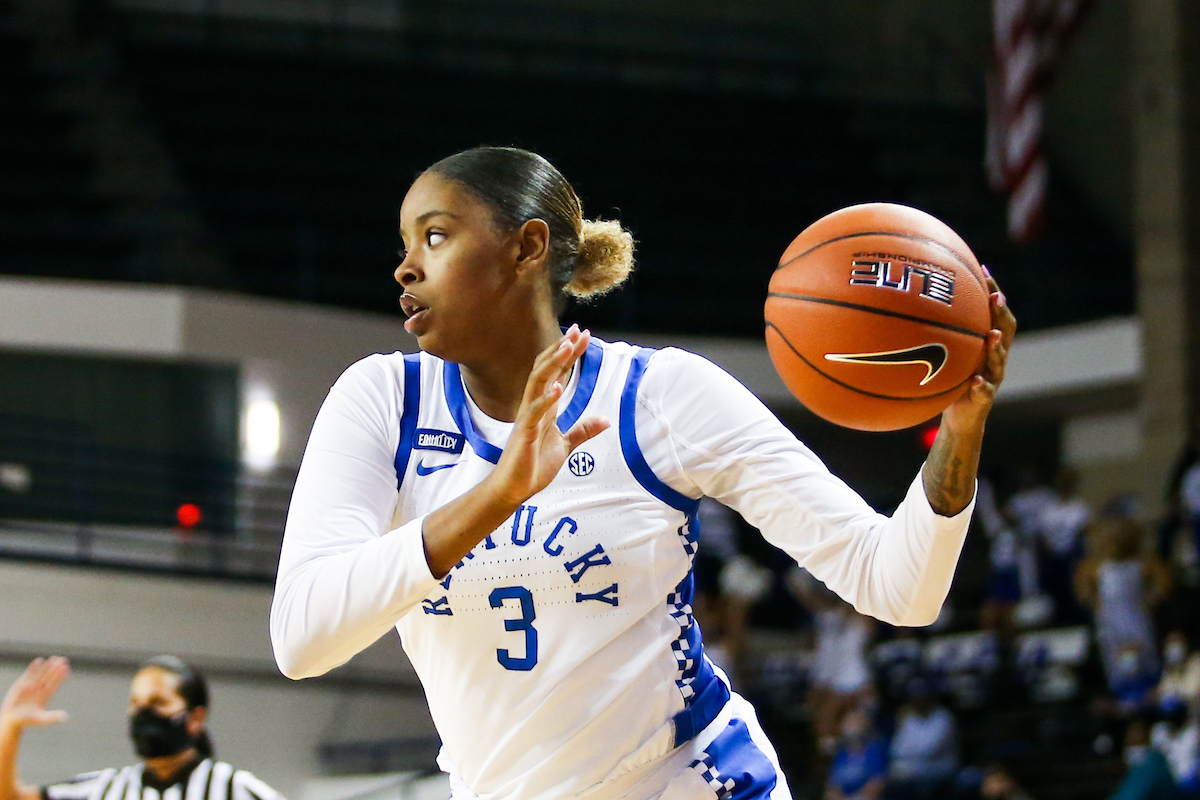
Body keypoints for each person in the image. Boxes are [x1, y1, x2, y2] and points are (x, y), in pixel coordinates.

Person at [270, 146, 1017, 800]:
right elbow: (303, 639)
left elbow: (897, 585)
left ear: (526, 248)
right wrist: (499, 495)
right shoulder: (383, 401)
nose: (406, 265)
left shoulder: (659, 397)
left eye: (435, 236)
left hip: (686, 782)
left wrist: (960, 431)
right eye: (405, 243)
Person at [0, 656, 285, 800]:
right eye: (136, 703)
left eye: (158, 702)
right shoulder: (105, 788)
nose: (143, 713)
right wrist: (10, 724)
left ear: (196, 718)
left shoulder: (234, 788)